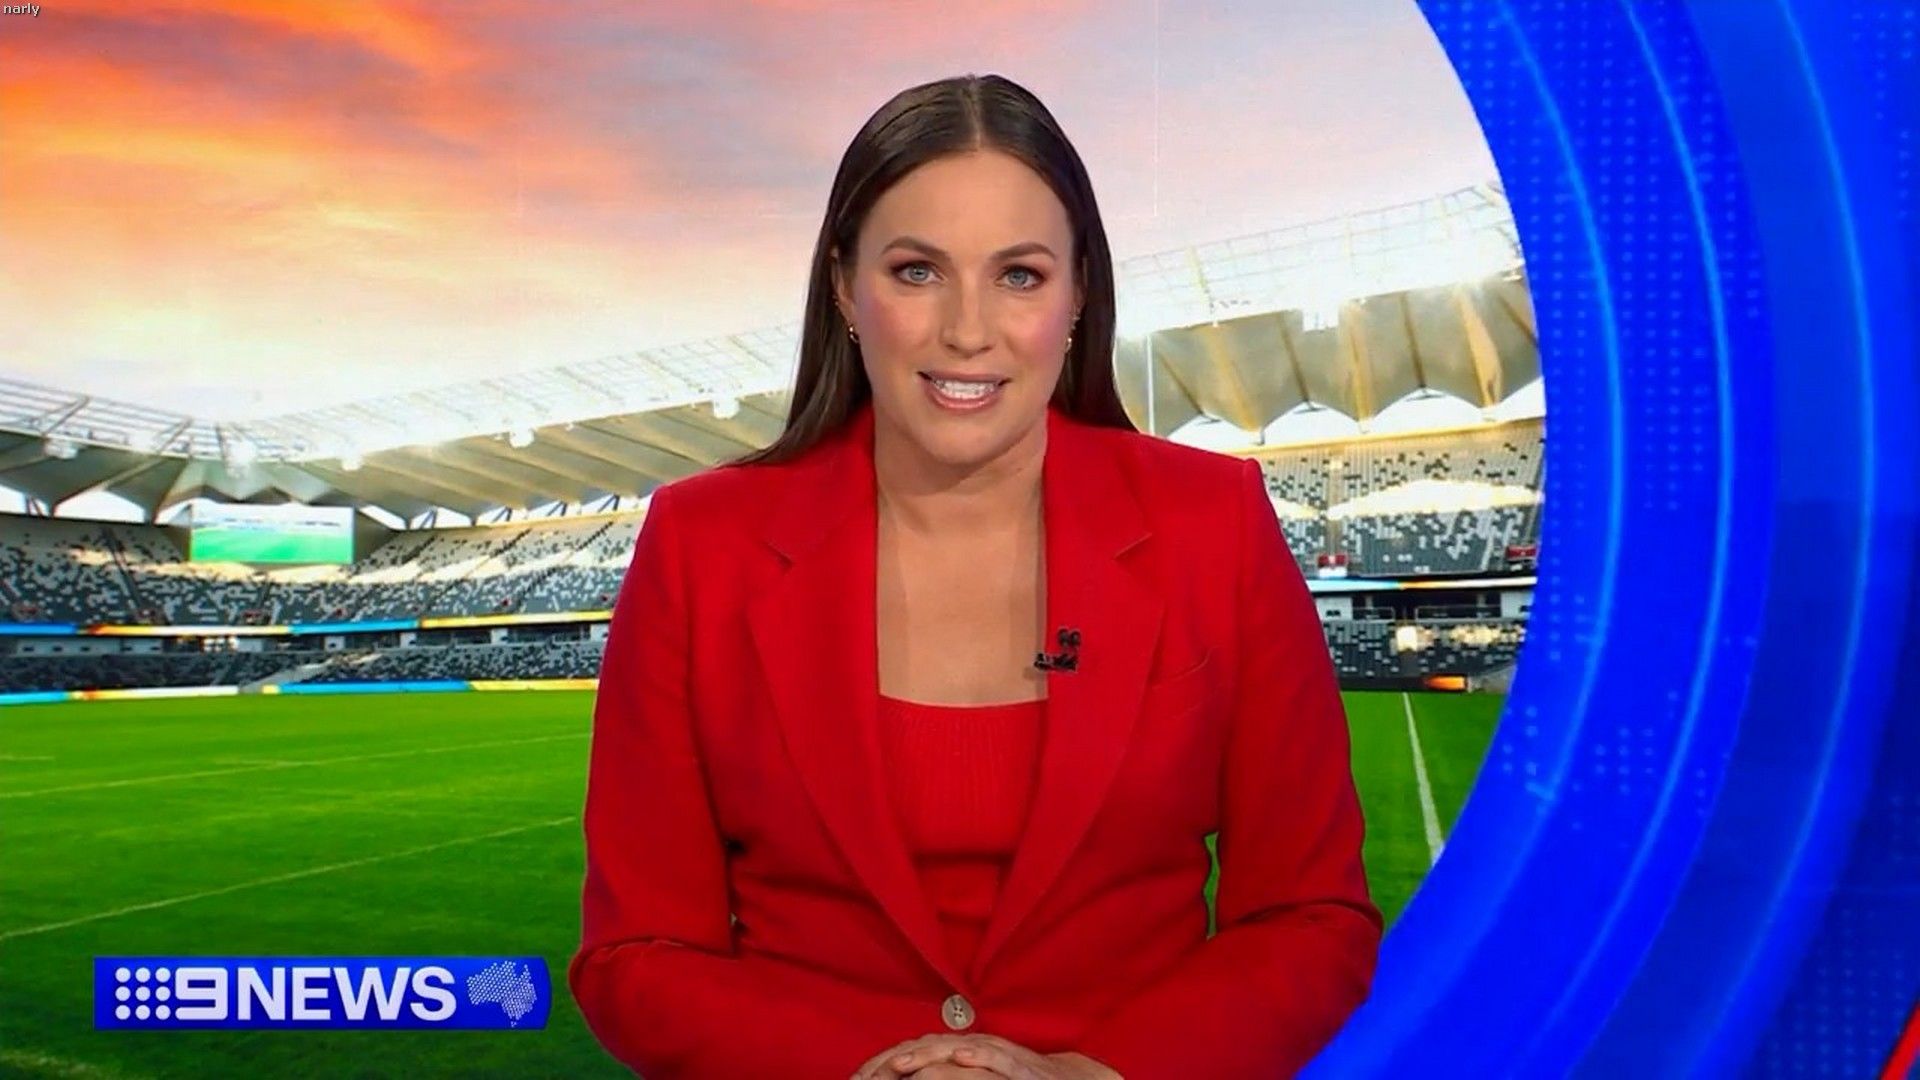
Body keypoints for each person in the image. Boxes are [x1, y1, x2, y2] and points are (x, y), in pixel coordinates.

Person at [569, 73, 1382, 1080]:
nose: (967, 330)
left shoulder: (1214, 523)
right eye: (916, 271)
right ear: (844, 289)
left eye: (1020, 275)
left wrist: (1097, 1074)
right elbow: (637, 950)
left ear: (1079, 295)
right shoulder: (702, 541)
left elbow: (1309, 916)